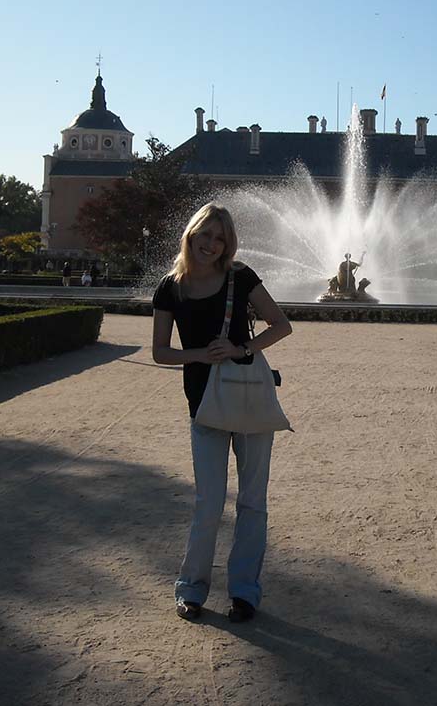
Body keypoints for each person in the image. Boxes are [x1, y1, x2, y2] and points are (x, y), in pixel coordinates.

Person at [152, 203, 292, 624]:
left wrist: (239, 349)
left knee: (252, 502)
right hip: (204, 403)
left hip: (248, 399)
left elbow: (281, 325)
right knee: (208, 503)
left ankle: (244, 593)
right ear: (191, 234)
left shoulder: (241, 277)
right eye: (206, 235)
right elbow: (160, 352)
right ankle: (192, 589)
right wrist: (201, 355)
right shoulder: (170, 287)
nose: (212, 244)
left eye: (221, 238)